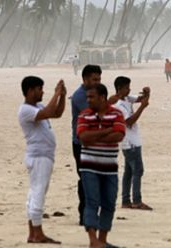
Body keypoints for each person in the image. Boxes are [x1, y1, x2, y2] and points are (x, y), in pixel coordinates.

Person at [18, 76, 67, 244]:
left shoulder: (37, 106)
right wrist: (56, 93)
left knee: (35, 192)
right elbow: (47, 112)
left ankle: (33, 233)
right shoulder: (25, 110)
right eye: (39, 89)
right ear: (30, 90)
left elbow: (56, 113)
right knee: (38, 192)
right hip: (39, 156)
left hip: (43, 156)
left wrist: (61, 96)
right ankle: (37, 232)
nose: (42, 92)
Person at [77, 84, 126, 248]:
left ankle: (102, 240)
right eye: (88, 97)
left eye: (92, 97)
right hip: (89, 166)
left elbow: (119, 135)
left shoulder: (117, 113)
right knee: (92, 202)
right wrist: (106, 131)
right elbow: (83, 137)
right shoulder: (84, 114)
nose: (88, 100)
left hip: (110, 167)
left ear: (102, 97)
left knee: (109, 203)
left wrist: (94, 137)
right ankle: (93, 240)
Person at [112, 76, 152, 211]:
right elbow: (129, 122)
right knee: (138, 170)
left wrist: (146, 94)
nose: (129, 90)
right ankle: (136, 200)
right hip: (130, 143)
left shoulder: (126, 99)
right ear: (119, 89)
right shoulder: (118, 105)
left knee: (129, 172)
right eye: (127, 88)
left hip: (131, 141)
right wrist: (142, 107)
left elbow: (139, 99)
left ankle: (125, 200)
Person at [71, 64, 102, 226]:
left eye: (99, 79)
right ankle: (84, 214)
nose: (97, 82)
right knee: (85, 179)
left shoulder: (94, 94)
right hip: (81, 144)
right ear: (85, 79)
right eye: (94, 79)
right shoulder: (80, 96)